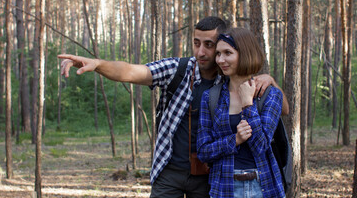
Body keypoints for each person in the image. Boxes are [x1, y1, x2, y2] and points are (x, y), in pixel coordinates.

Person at [58, 17, 288, 198]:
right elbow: (132, 71)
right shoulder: (179, 69)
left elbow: (282, 109)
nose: (202, 52)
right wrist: (98, 64)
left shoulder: (234, 79)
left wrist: (271, 81)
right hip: (170, 169)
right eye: (197, 43)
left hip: (209, 176)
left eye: (210, 45)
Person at [197, 27, 286, 198]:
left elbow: (261, 146)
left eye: (227, 53)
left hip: (263, 187)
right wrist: (234, 140)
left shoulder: (271, 95)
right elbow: (203, 151)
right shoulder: (211, 97)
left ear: (244, 54)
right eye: (218, 54)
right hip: (224, 188)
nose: (220, 59)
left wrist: (247, 104)